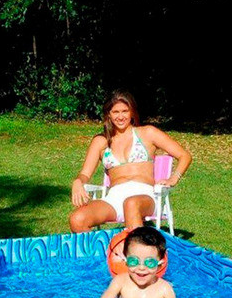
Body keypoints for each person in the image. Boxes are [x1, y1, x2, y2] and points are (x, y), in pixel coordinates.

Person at [70, 90, 192, 232]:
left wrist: (174, 178)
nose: (120, 117)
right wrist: (77, 181)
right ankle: (106, 247)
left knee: (131, 203)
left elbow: (184, 155)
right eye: (115, 112)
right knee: (77, 219)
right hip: (114, 199)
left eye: (125, 111)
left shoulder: (148, 133)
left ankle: (137, 246)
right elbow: (85, 173)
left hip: (145, 197)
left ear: (132, 112)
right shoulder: (101, 141)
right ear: (108, 114)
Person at [95, 226, 186, 298]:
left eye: (150, 262)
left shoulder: (164, 288)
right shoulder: (120, 281)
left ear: (160, 263)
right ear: (125, 260)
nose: (141, 268)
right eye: (134, 261)